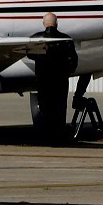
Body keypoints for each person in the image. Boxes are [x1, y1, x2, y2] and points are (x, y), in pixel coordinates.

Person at [29, 12, 78, 142]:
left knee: (45, 107)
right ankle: (59, 134)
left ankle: (46, 135)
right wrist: (67, 72)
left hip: (43, 79)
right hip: (60, 80)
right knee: (60, 107)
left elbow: (29, 54)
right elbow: (73, 60)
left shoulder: (36, 39)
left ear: (44, 24)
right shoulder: (66, 40)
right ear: (56, 23)